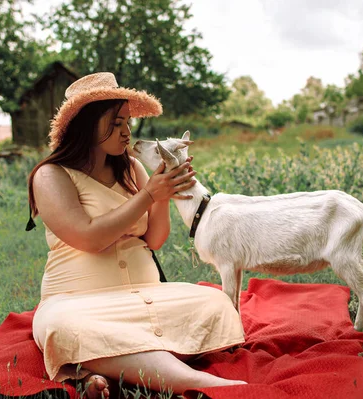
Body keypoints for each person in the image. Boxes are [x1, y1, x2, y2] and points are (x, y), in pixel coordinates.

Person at [27, 72, 246, 398]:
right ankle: (194, 381)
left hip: (147, 294)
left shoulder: (132, 169)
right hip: (78, 302)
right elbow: (88, 238)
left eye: (128, 122)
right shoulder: (50, 175)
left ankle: (99, 367)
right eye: (116, 123)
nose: (127, 132)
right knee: (63, 327)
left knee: (215, 303)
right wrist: (147, 196)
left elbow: (155, 239)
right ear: (86, 126)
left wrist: (164, 188)